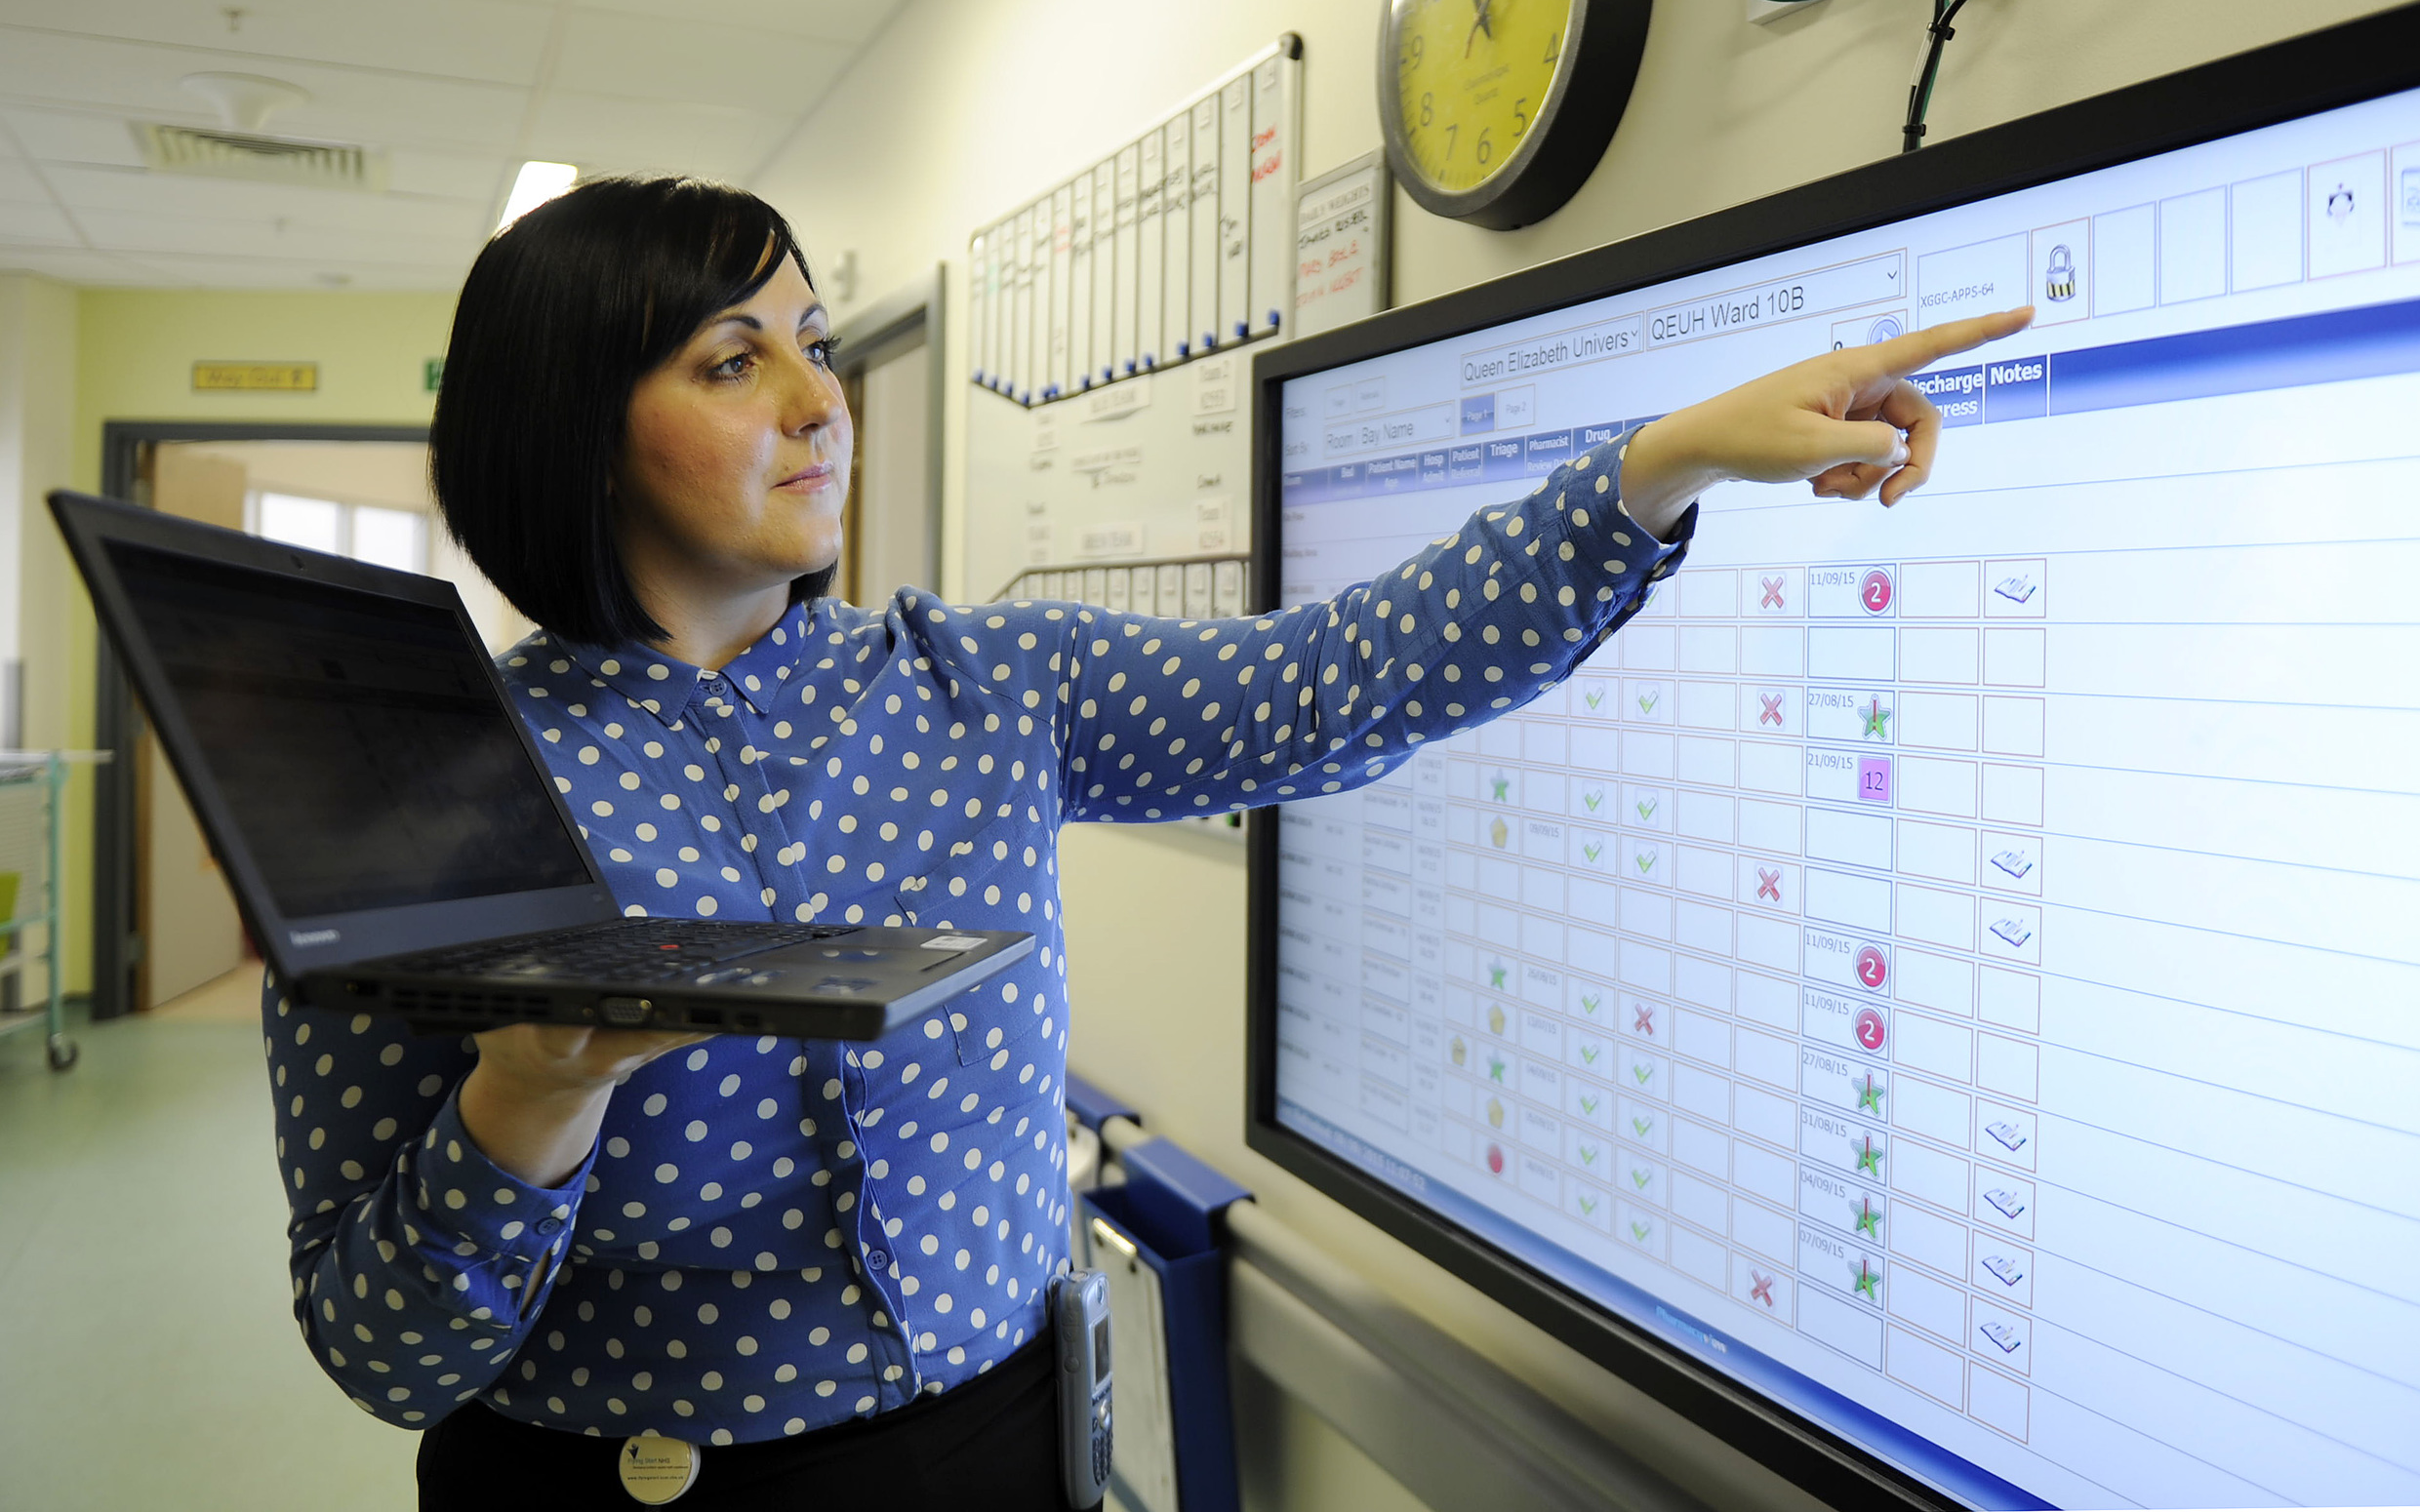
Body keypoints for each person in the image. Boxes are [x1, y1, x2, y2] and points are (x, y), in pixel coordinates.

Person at [264, 175, 2028, 1509]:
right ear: (574, 432)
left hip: (1010, 1450)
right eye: (739, 360)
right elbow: (379, 1348)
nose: (820, 398)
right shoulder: (429, 792)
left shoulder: (980, 682)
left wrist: (1660, 465)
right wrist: (530, 1105)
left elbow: (1335, 685)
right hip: (629, 1486)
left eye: (815, 338)